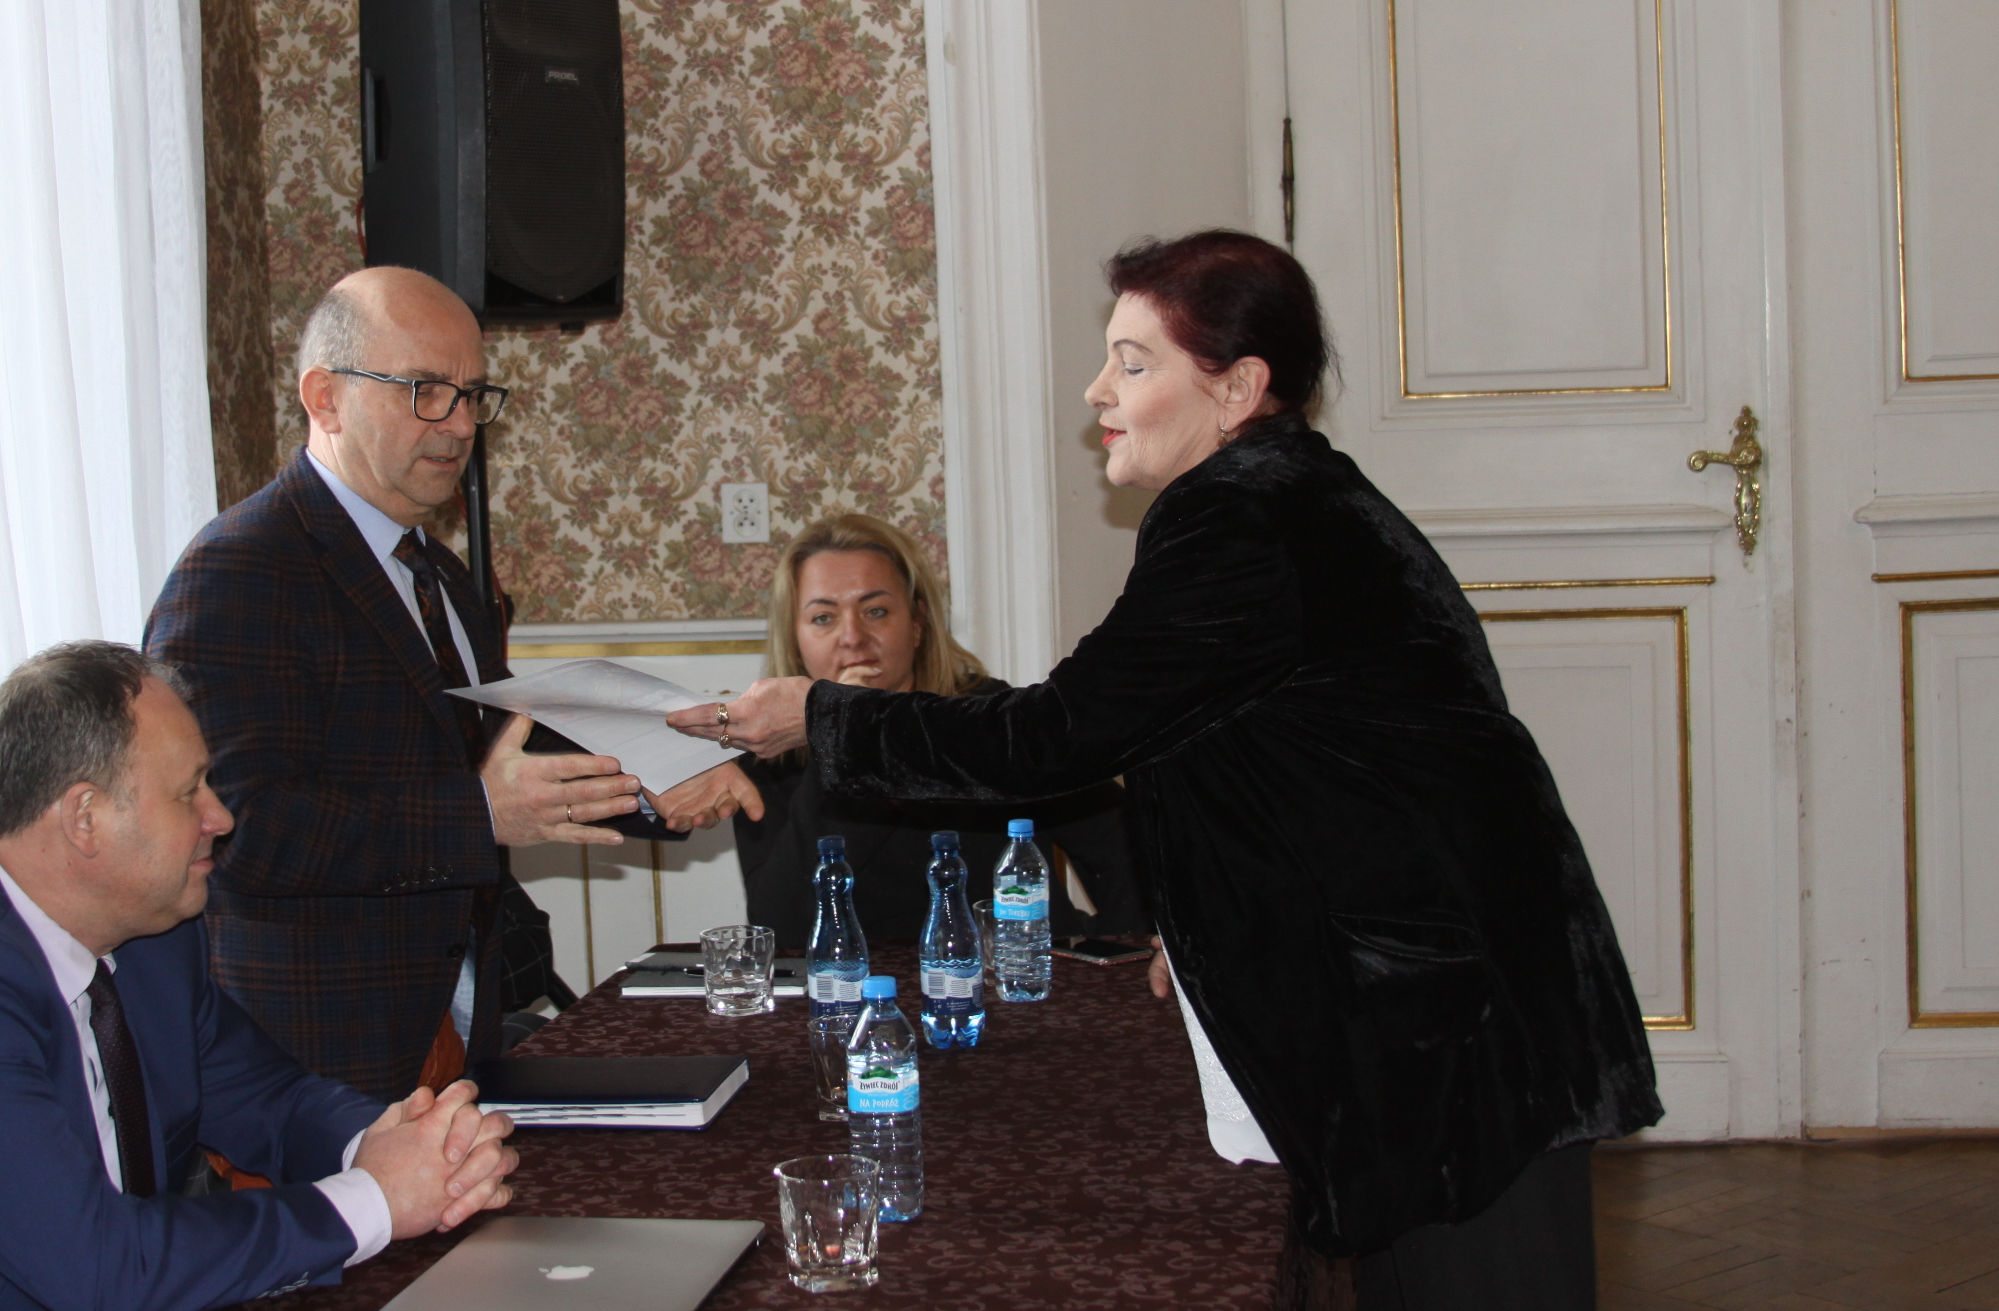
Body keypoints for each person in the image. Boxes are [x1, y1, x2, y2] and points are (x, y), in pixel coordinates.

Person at [674, 230, 1660, 1307]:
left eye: (1133, 363)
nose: (1097, 390)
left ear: (1237, 387)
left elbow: (1058, 737)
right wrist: (1199, 932)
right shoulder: (1286, 496)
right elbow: (1229, 755)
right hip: (1447, 1001)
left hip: (1455, 1021)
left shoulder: (1242, 518)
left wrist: (823, 715)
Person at [0, 642, 518, 1311]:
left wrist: (396, 1145)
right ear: (85, 818)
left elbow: (263, 1095)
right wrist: (373, 1201)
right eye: (189, 793)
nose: (221, 816)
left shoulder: (144, 924)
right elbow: (103, 1272)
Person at [146, 267, 733, 1099]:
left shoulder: (440, 575)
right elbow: (245, 830)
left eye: (473, 395)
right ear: (325, 399)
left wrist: (659, 779)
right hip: (315, 1067)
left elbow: (497, 753)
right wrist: (480, 814)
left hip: (455, 1036)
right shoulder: (242, 571)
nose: (459, 425)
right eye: (425, 391)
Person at [729, 512, 1140, 942]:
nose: (852, 637)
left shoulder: (991, 717)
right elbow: (781, 926)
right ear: (795, 640)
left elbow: (1122, 845)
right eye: (823, 618)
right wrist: (842, 739)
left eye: (876, 611)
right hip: (863, 980)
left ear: (917, 623)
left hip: (1010, 974)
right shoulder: (770, 758)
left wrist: (1121, 954)